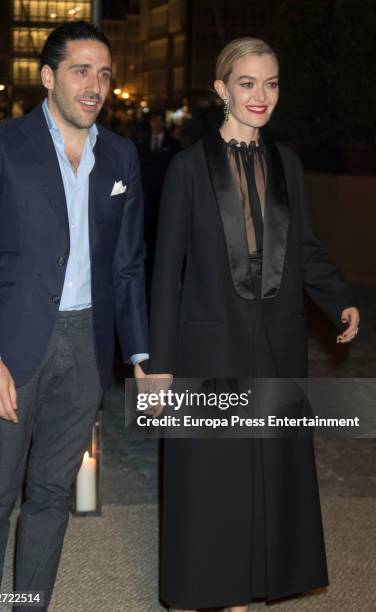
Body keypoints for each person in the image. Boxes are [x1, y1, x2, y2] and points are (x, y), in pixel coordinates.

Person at [148, 38, 360, 611]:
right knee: (211, 480)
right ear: (221, 90)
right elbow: (165, 272)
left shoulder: (287, 163)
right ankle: (203, 591)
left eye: (270, 83)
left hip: (277, 343)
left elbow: (307, 250)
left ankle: (245, 592)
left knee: (267, 473)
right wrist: (158, 364)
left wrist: (339, 297)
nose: (260, 95)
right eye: (247, 83)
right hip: (207, 348)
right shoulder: (188, 168)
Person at [0, 21, 148, 611]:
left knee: (50, 493)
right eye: (80, 70)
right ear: (48, 77)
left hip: (87, 348)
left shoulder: (120, 155)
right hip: (12, 347)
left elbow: (127, 268)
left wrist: (140, 356)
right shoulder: (0, 145)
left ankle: (27, 605)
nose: (94, 85)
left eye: (103, 73)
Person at [136, 110, 181, 283]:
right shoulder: (142, 142)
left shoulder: (172, 143)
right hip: (146, 196)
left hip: (164, 196)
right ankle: (146, 264)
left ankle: (160, 263)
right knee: (145, 231)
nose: (156, 124)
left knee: (161, 231)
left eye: (159, 120)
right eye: (153, 120)